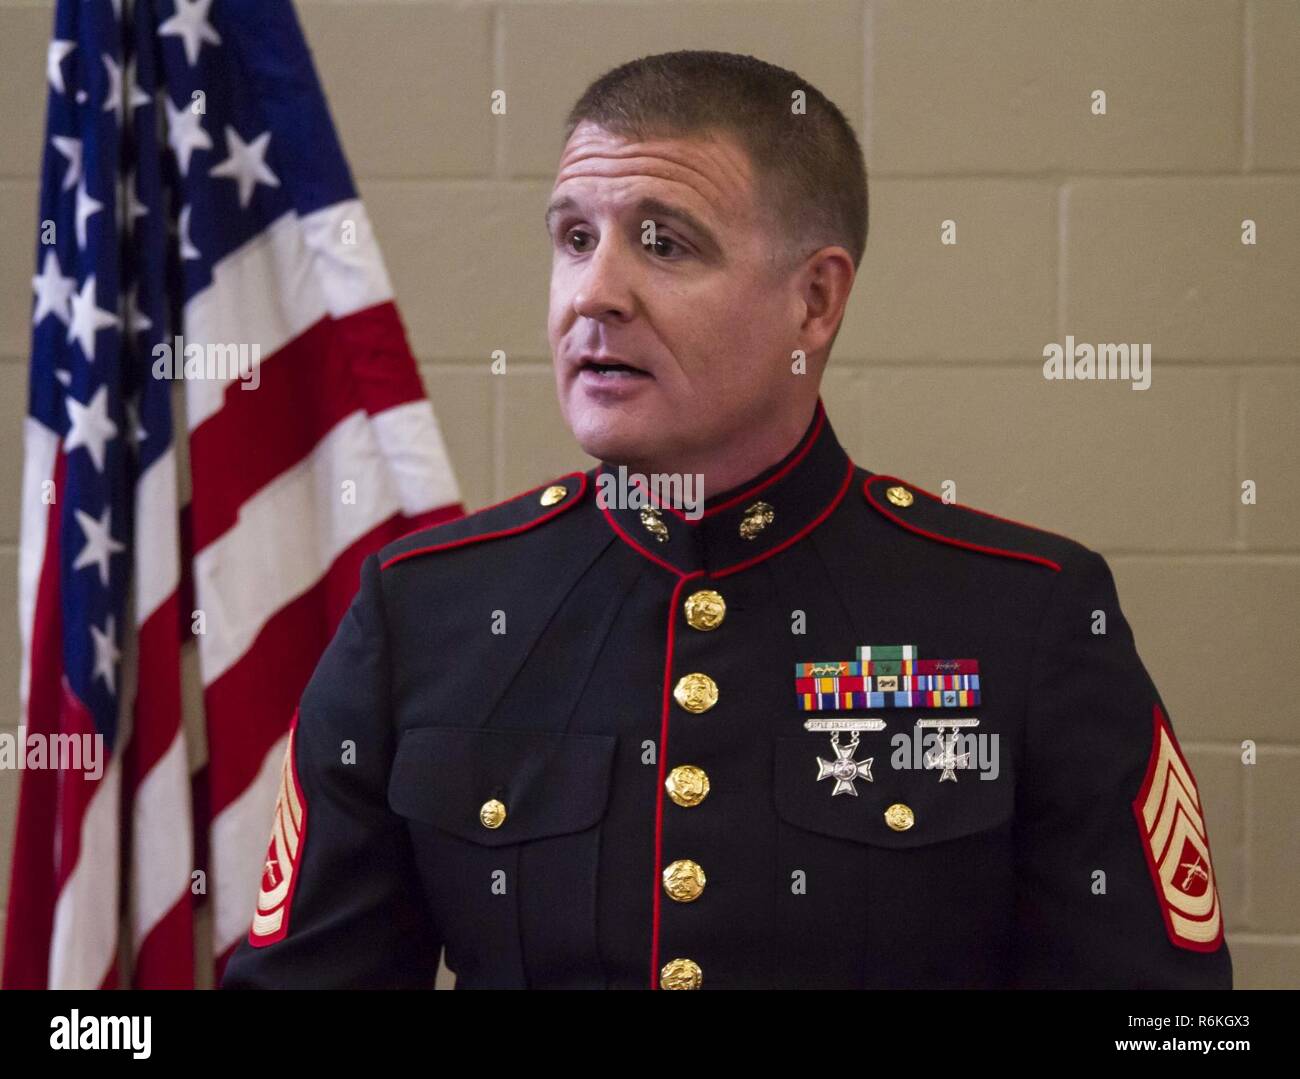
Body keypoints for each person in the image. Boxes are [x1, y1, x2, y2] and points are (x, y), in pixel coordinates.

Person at [222, 50, 1231, 990]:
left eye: (664, 243)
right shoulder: (425, 610)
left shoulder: (1023, 617)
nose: (593, 295)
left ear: (814, 301)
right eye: (574, 239)